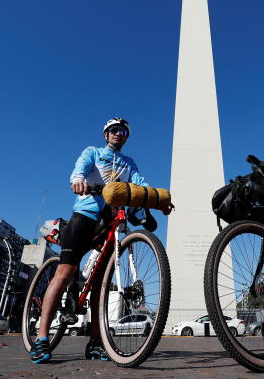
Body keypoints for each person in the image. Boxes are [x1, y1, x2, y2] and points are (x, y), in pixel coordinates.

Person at [29, 117, 170, 364]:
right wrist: (78, 181)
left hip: (111, 220)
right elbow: (79, 169)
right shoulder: (92, 152)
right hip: (85, 214)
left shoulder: (129, 163)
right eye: (114, 130)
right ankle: (41, 339)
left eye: (123, 131)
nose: (119, 134)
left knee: (101, 287)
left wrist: (158, 199)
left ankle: (95, 343)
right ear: (106, 135)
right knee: (64, 272)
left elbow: (141, 185)